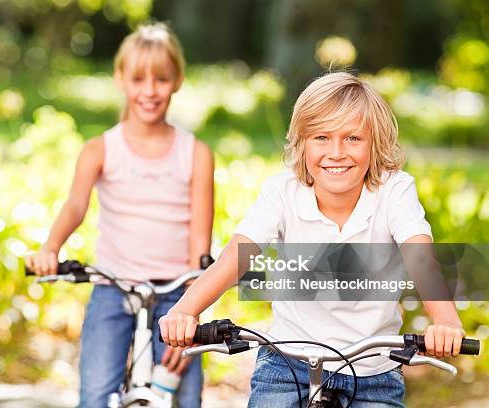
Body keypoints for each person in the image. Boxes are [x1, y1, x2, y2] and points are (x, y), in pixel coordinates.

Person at [158, 72, 464, 407]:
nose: (336, 153)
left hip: (373, 371)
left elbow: (420, 258)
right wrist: (186, 310)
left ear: (375, 144)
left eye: (353, 138)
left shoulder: (394, 190)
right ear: (301, 143)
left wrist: (445, 322)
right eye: (321, 137)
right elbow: (237, 256)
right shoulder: (283, 191)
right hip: (287, 363)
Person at [25, 22, 214, 408]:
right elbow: (76, 205)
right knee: (95, 394)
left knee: (186, 395)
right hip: (114, 287)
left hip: (176, 294)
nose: (149, 90)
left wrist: (193, 308)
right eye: (138, 79)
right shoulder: (100, 149)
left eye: (161, 79)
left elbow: (200, 238)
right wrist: (50, 247)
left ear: (177, 80)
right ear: (120, 79)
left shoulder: (195, 154)